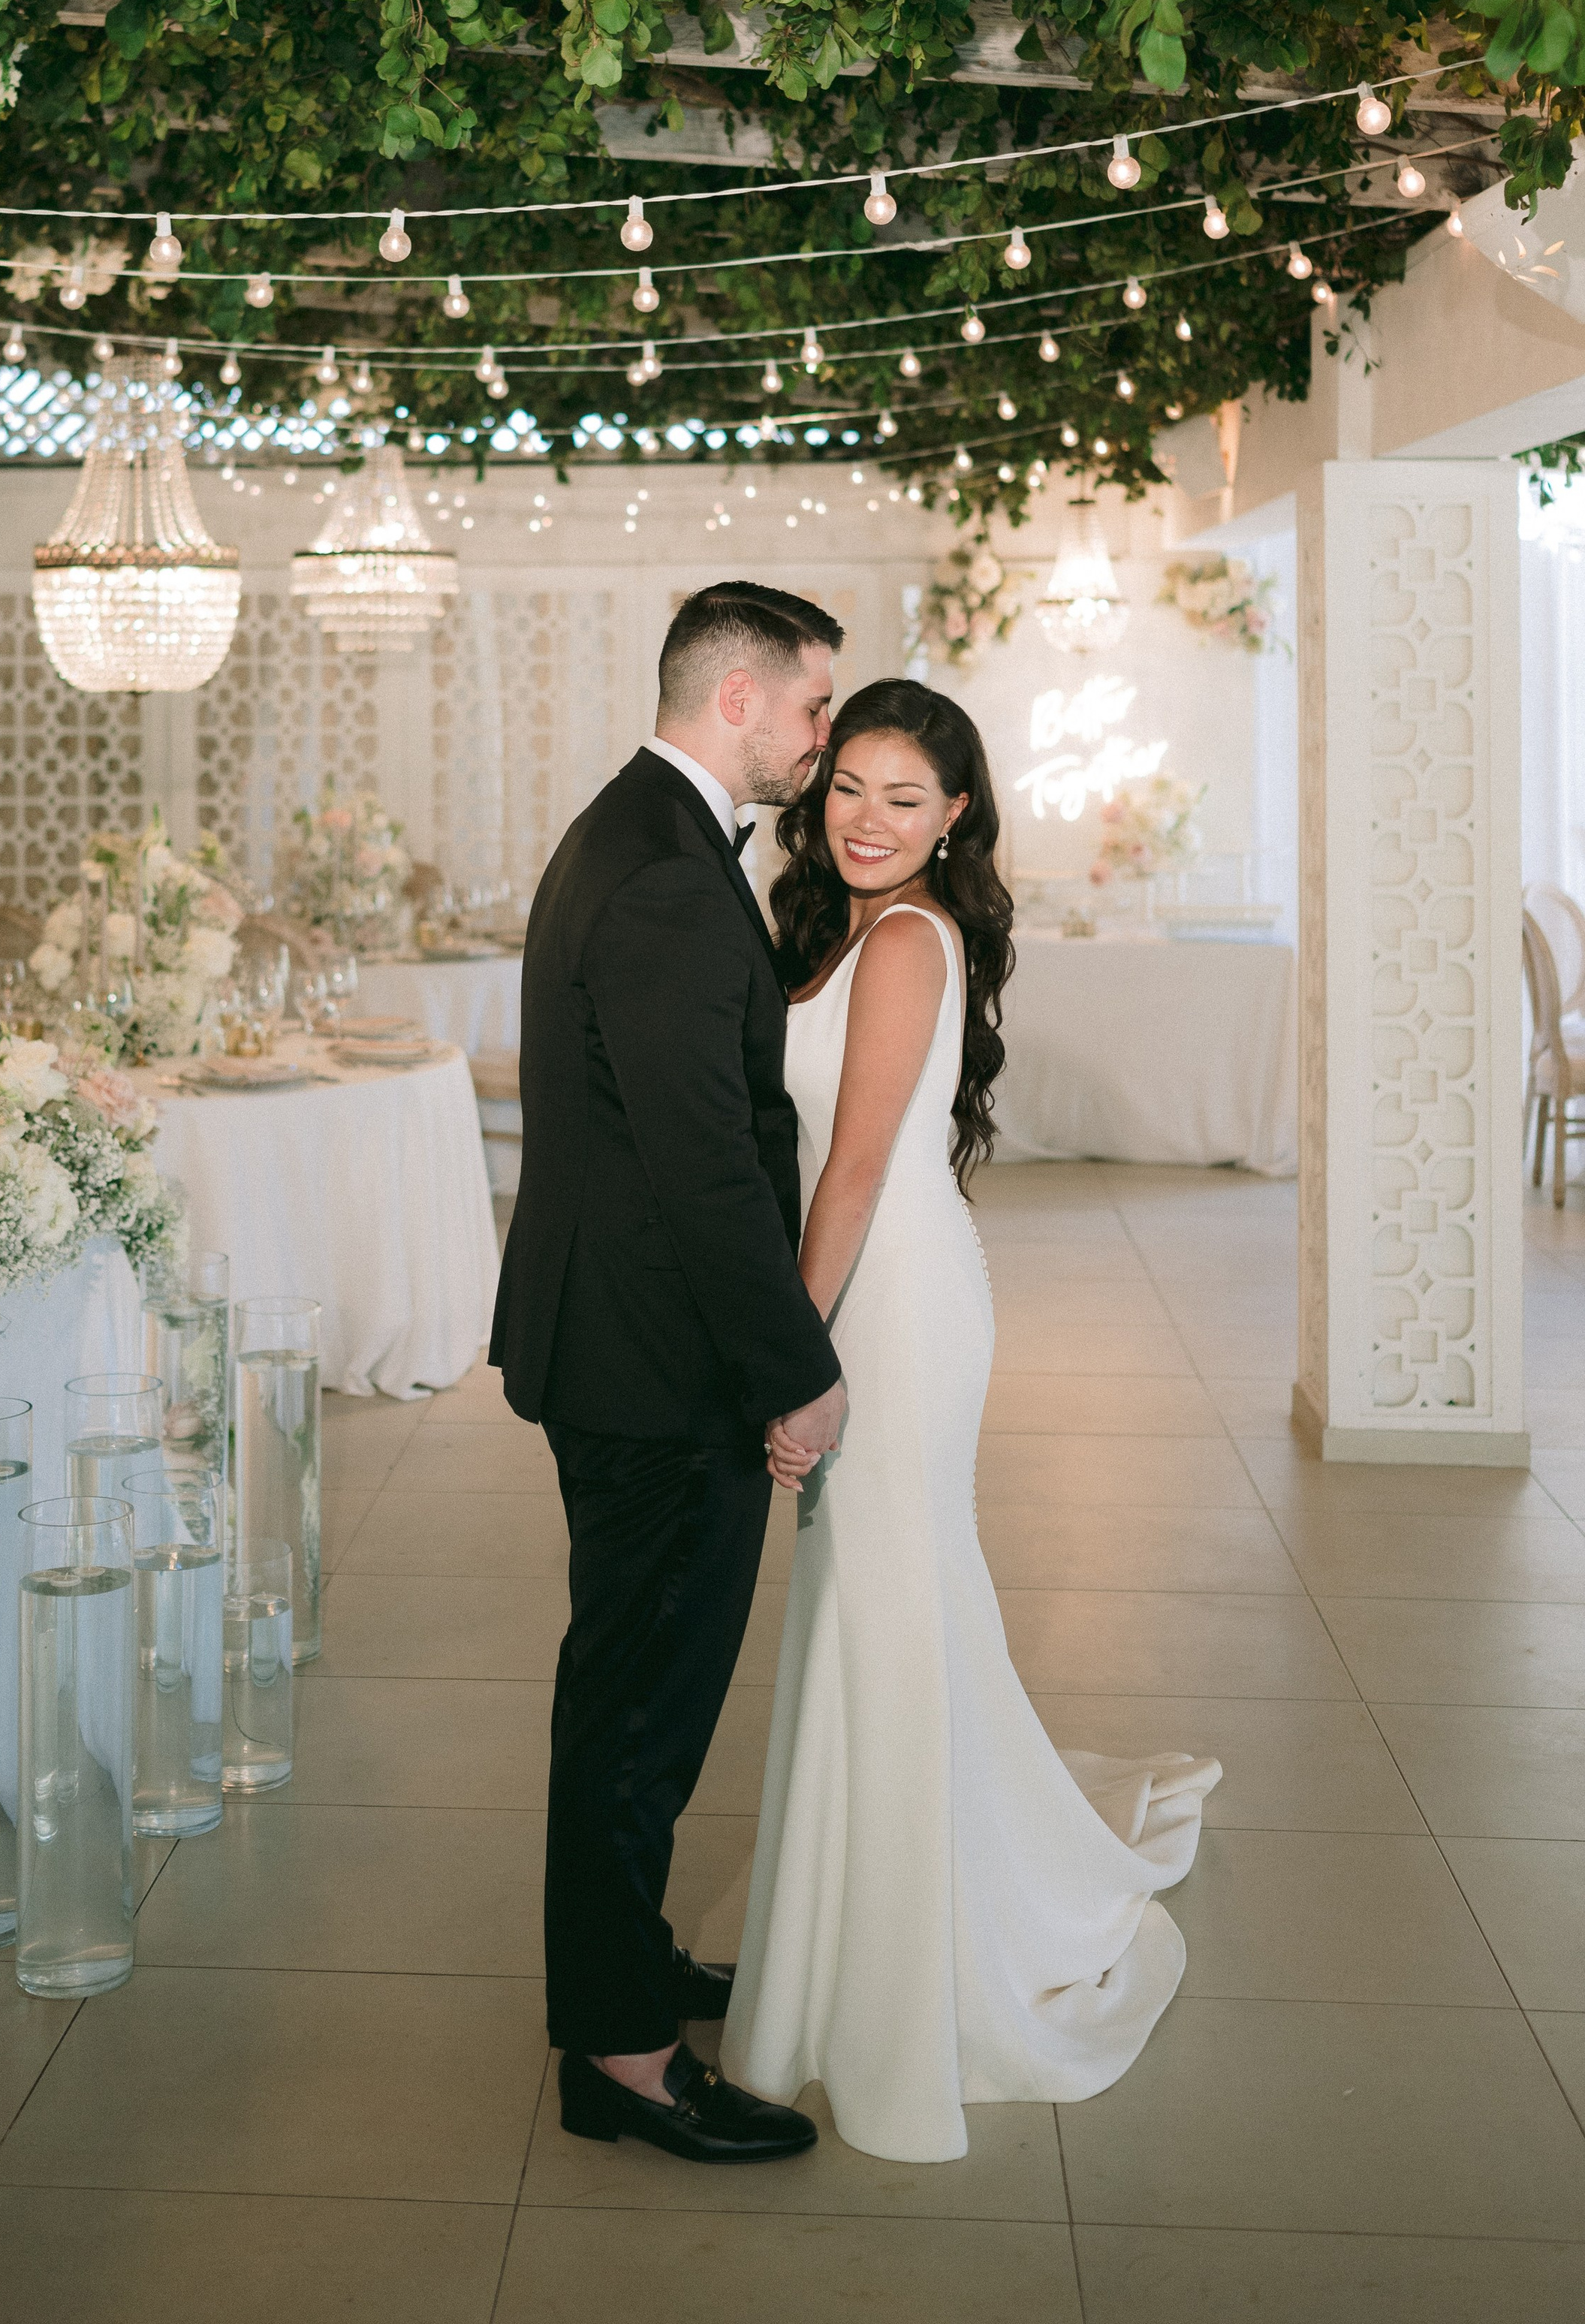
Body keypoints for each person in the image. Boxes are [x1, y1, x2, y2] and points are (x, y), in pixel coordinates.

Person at [720, 676, 1222, 2165]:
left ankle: (918, 1950)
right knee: (876, 1610)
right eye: (849, 787)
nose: (867, 819)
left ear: (953, 818)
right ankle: (860, 1914)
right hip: (869, 1280)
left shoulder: (907, 940)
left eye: (904, 796)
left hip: (892, 1302)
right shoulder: (836, 928)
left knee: (891, 1603)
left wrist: (785, 1360)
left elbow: (857, 1170)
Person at [490, 583, 849, 2164]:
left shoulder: (644, 836)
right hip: (653, 1365)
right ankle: (624, 2055)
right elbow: (702, 1160)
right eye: (813, 708)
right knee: (638, 1709)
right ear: (738, 702)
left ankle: (617, 1971)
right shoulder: (656, 873)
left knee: (630, 1694)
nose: (823, 739)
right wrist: (798, 1366)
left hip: (626, 1342)